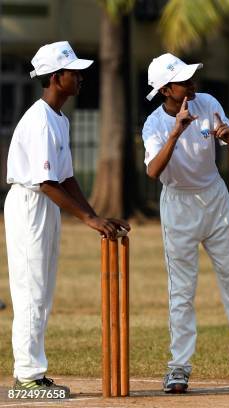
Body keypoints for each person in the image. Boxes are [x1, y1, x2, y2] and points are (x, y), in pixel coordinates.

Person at [141, 53, 229, 394]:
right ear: (165, 89)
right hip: (178, 205)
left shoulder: (208, 102)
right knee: (182, 291)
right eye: (184, 81)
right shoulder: (153, 125)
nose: (192, 85)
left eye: (191, 78)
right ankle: (179, 367)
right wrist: (177, 131)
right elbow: (153, 172)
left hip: (215, 199)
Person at [4, 41, 130, 396]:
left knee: (43, 291)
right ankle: (26, 377)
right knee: (30, 290)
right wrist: (87, 221)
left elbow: (66, 178)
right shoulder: (40, 120)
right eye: (74, 73)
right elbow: (45, 182)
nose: (79, 78)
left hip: (45, 202)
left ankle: (34, 372)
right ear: (56, 78)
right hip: (30, 203)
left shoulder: (59, 118)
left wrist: (94, 214)